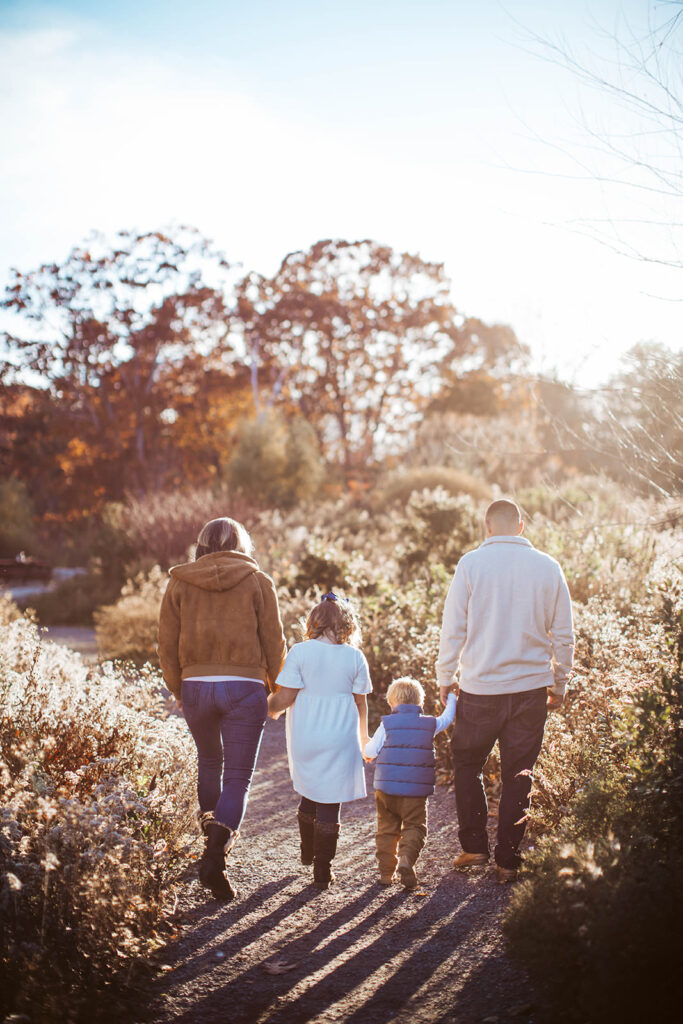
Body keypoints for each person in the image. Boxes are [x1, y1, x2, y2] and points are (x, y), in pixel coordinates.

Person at [437, 498, 574, 882]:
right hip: (530, 690)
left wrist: (445, 678)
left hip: (479, 688)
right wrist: (559, 685)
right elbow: (564, 635)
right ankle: (507, 861)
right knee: (519, 773)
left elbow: (453, 629)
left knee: (466, 764)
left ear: (486, 526)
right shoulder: (548, 567)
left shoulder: (470, 565)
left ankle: (474, 848)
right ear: (521, 526)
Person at [158, 516, 286, 900]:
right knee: (238, 778)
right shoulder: (258, 581)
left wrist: (177, 687)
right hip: (245, 687)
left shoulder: (180, 581)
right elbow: (275, 642)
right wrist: (275, 688)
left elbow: (166, 642)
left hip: (196, 686)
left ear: (202, 544)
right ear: (241, 544)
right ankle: (215, 854)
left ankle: (210, 841)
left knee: (209, 763)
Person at [267, 593, 372, 889]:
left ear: (313, 622)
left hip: (306, 733)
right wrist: (363, 739)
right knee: (330, 798)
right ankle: (323, 868)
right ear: (347, 624)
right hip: (340, 734)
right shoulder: (355, 657)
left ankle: (306, 851)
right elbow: (361, 704)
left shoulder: (300, 652)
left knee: (310, 788)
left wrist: (269, 708)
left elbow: (285, 697)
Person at [364, 677, 456, 889]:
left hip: (386, 790)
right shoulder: (429, 724)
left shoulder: (386, 724)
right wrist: (452, 696)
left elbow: (370, 751)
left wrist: (367, 752)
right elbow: (448, 718)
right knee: (415, 826)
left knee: (386, 829)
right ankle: (406, 858)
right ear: (420, 703)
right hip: (415, 792)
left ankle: (386, 874)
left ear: (390, 702)